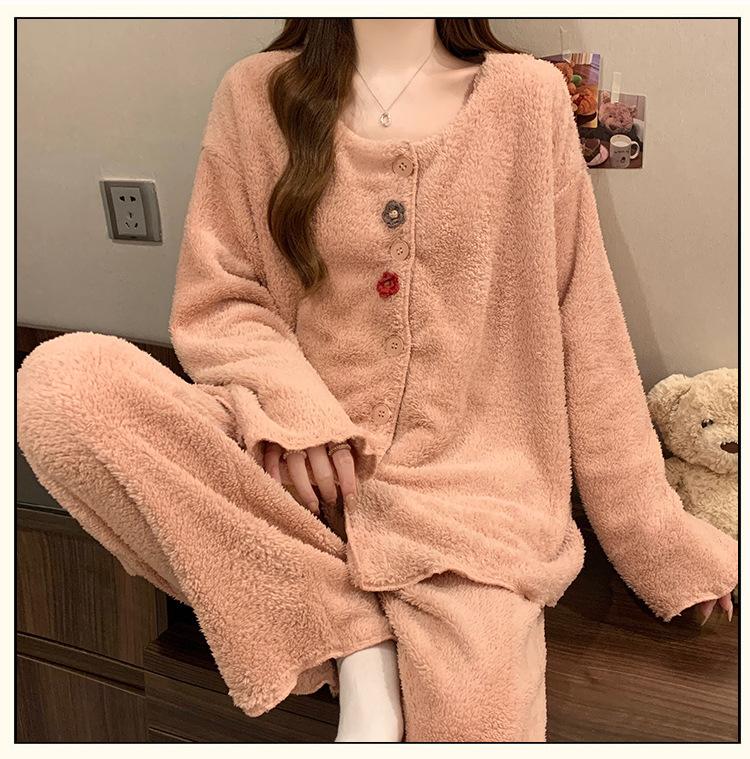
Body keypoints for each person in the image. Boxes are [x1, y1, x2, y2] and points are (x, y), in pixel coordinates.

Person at [16, 18, 737, 743]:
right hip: (285, 482)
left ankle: (333, 622)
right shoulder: (255, 95)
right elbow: (221, 299)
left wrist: (657, 540)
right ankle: (352, 636)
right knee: (62, 387)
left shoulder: (528, 97)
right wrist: (295, 416)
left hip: (467, 511)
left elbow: (588, 323)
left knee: (476, 724)